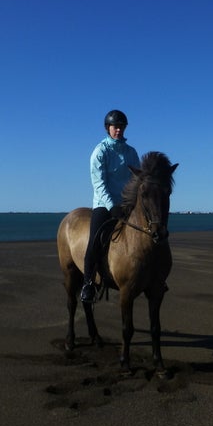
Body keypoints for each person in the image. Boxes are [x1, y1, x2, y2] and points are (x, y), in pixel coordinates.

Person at [80, 109, 140, 303]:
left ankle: (154, 276)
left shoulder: (131, 152)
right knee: (95, 241)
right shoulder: (100, 152)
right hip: (104, 205)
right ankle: (88, 284)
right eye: (115, 127)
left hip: (127, 205)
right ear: (108, 128)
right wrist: (112, 205)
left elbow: (136, 179)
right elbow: (99, 183)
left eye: (121, 127)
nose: (119, 130)